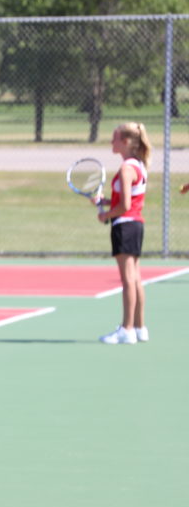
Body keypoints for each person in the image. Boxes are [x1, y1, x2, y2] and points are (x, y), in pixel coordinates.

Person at [95, 122, 151, 345]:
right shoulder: (138, 165)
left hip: (125, 225)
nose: (111, 142)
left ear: (126, 142)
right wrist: (106, 202)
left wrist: (106, 214)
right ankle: (139, 327)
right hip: (135, 225)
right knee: (136, 279)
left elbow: (125, 205)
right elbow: (130, 199)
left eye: (115, 138)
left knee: (128, 280)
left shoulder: (127, 169)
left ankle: (127, 329)